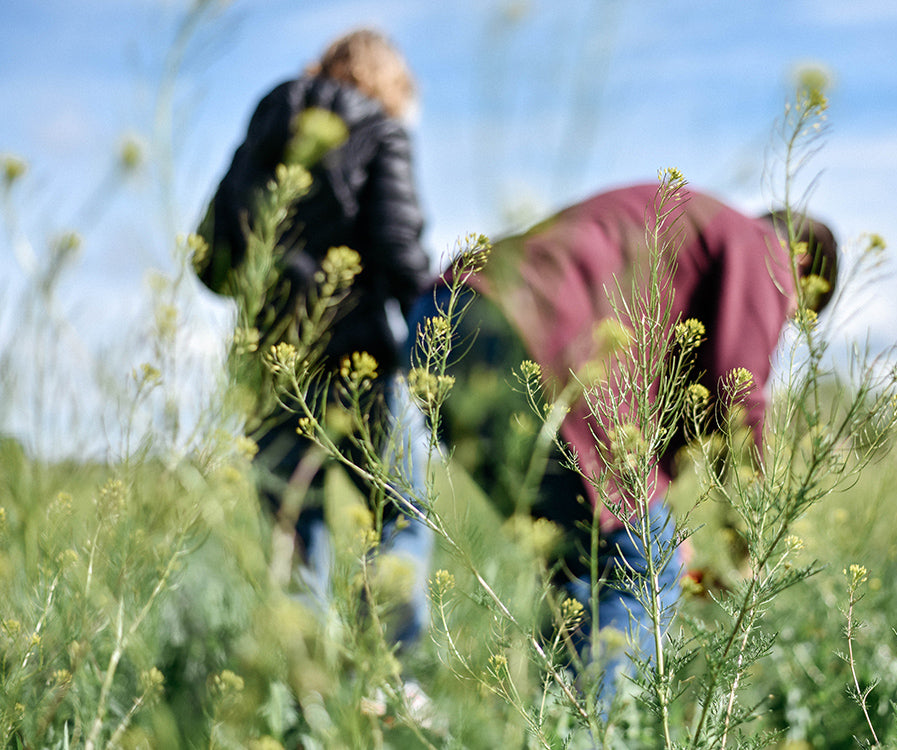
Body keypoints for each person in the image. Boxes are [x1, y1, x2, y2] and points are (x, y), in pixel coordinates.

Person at [407, 180, 838, 708]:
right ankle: (584, 733)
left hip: (440, 325)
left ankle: (549, 726)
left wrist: (655, 518)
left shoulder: (700, 229)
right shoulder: (763, 248)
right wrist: (745, 542)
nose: (782, 326)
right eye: (795, 312)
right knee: (644, 574)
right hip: (532, 340)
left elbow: (675, 399)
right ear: (801, 263)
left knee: (581, 569)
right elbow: (736, 394)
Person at [195, 29, 433, 650]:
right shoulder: (381, 129)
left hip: (266, 364)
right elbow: (400, 251)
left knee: (290, 526)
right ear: (390, 84)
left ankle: (302, 690)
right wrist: (434, 328)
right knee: (402, 515)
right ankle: (385, 676)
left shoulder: (264, 127)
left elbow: (209, 263)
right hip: (356, 358)